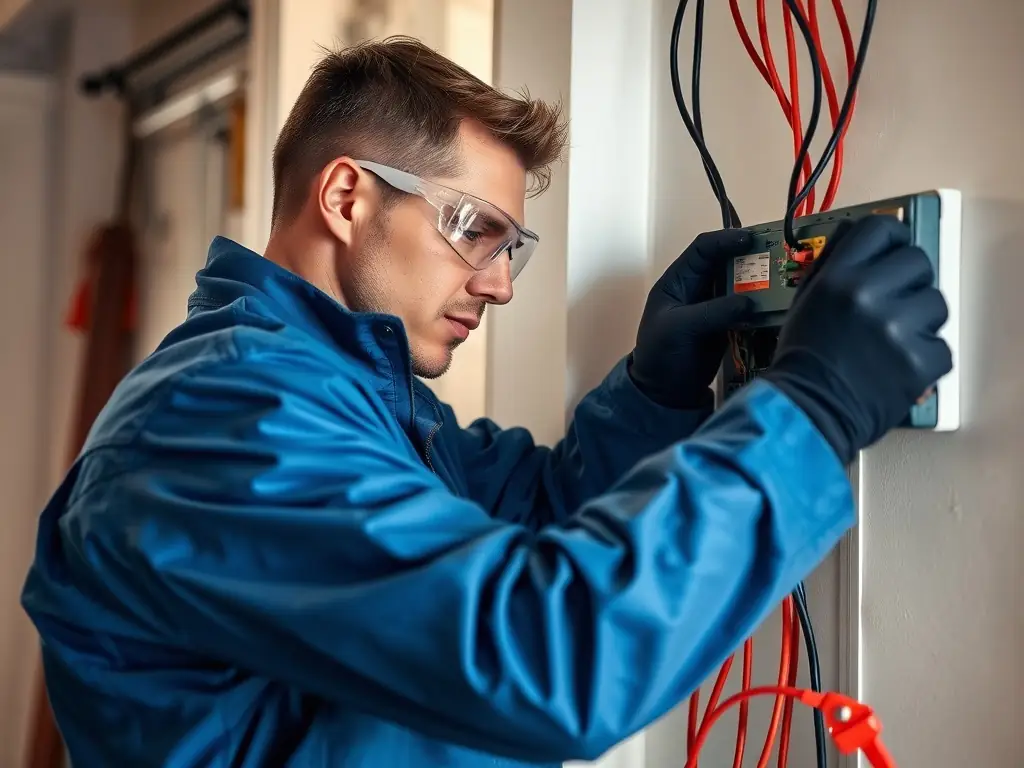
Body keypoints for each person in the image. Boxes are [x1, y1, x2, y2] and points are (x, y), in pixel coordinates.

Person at [21, 36, 951, 768]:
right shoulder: (230, 425)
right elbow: (548, 651)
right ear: (346, 196)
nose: (500, 285)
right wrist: (810, 411)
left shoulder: (350, 399)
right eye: (476, 231)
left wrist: (654, 390)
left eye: (514, 246)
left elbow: (538, 520)